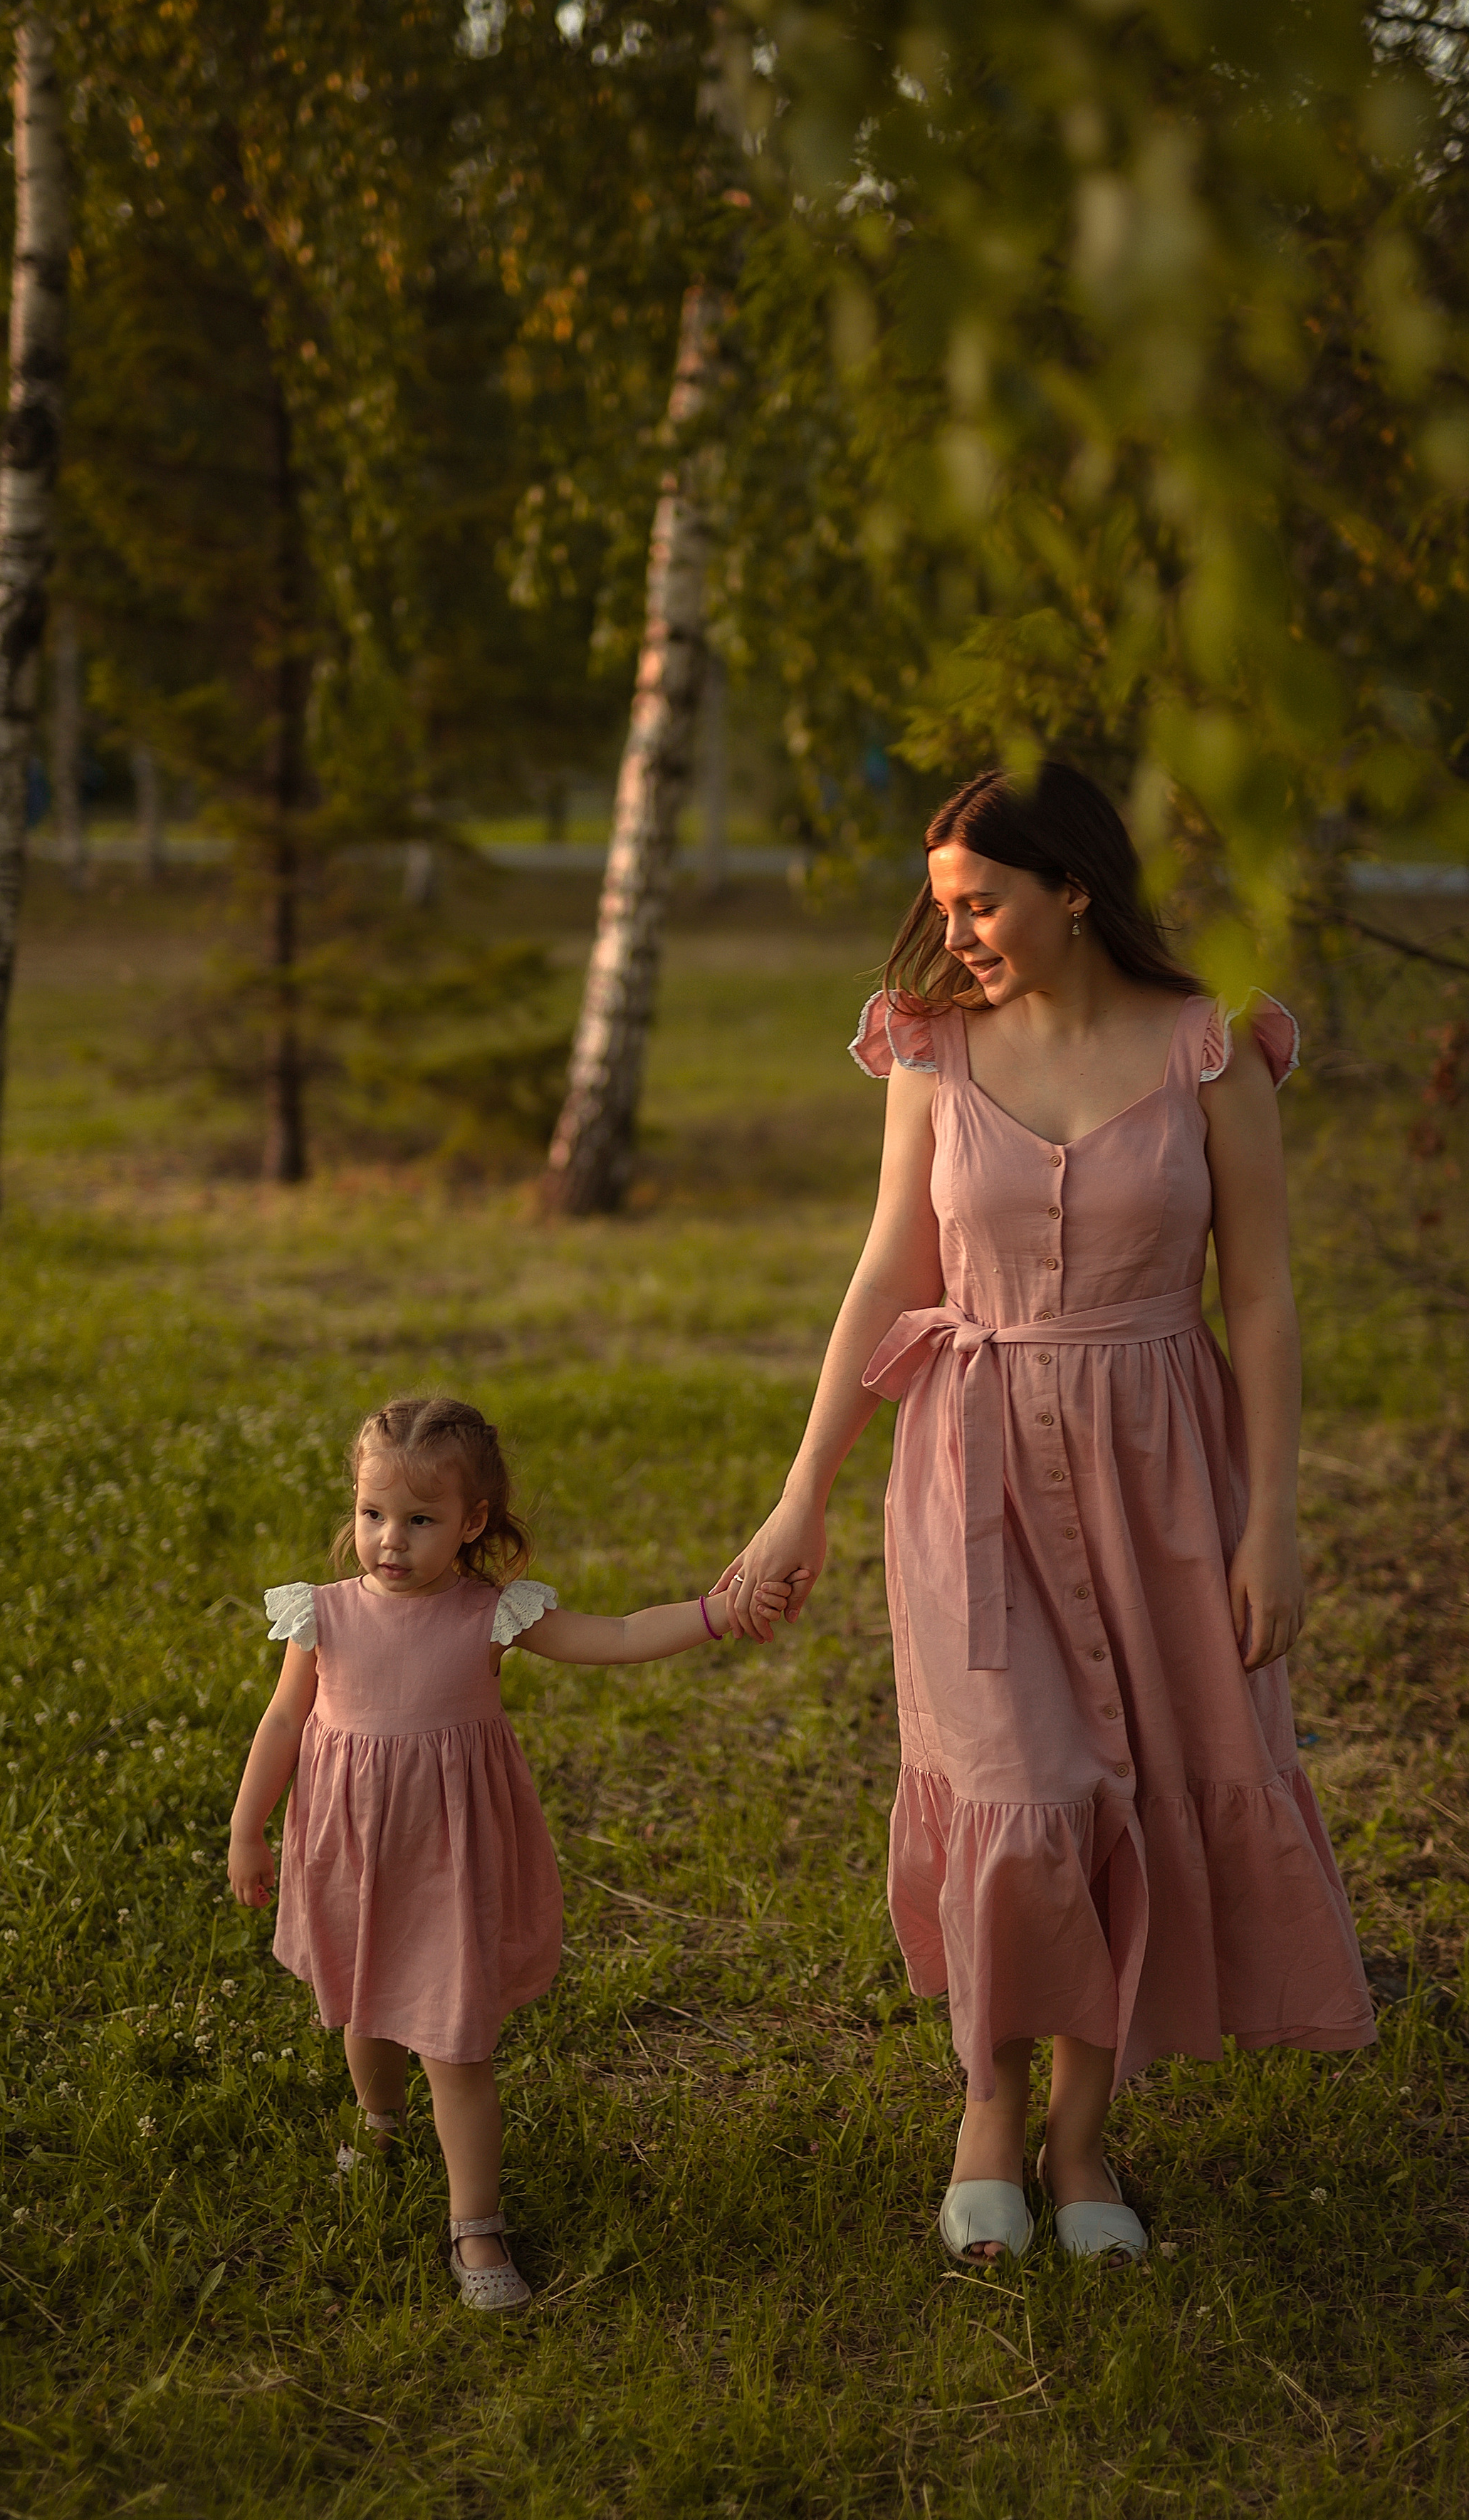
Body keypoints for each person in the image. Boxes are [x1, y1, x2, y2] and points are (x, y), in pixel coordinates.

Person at [719, 762, 1374, 2265]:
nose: (953, 935)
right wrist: (798, 1495)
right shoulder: (933, 1055)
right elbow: (888, 1277)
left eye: (982, 902)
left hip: (1163, 1464)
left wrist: (1272, 1517)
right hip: (971, 1464)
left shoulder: (1212, 1050)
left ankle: (1082, 2141)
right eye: (941, 907)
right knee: (1019, 1789)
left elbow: (1262, 1299)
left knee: (1130, 1785)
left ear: (1073, 889)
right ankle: (986, 2121)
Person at [227, 1393, 785, 2312]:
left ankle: (474, 2223)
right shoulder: (321, 1616)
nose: (390, 1541)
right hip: (357, 1859)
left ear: (471, 1523)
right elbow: (284, 1720)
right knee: (366, 2013)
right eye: (372, 1515)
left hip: (449, 1864)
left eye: (419, 1520)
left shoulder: (492, 1615)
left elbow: (614, 1636)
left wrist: (715, 1614)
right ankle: (379, 2121)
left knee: (456, 2045)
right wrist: (251, 1827)